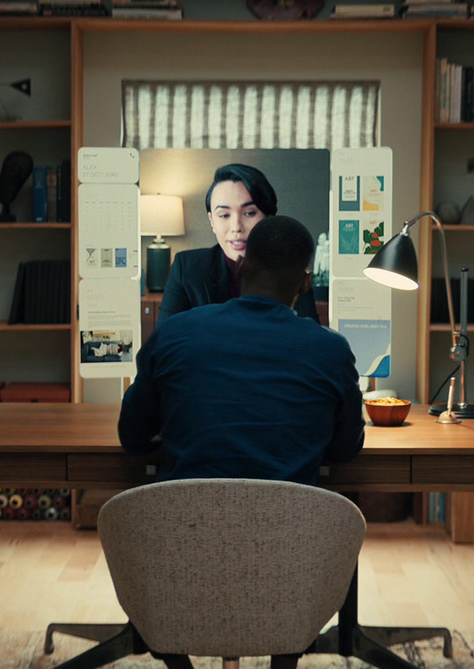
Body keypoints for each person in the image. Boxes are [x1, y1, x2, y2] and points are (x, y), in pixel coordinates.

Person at [119, 216, 364, 669]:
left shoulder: (174, 335)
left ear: (242, 265)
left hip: (182, 551)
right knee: (289, 552)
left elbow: (132, 438)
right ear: (306, 282)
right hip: (289, 563)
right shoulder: (329, 350)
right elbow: (346, 450)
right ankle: (285, 654)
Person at [157, 163, 320, 325]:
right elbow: (164, 343)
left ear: (270, 220)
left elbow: (310, 342)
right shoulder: (186, 268)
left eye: (249, 213)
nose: (236, 227)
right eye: (224, 215)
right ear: (211, 221)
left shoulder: (290, 269)